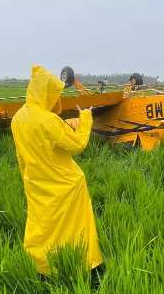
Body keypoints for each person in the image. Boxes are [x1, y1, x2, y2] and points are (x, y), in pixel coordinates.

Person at [11, 66, 103, 274]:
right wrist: (86, 118)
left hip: (36, 183)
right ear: (45, 93)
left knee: (41, 228)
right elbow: (77, 144)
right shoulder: (48, 120)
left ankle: (43, 266)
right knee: (77, 226)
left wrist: (27, 179)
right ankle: (86, 264)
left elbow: (22, 155)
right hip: (66, 185)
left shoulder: (18, 118)